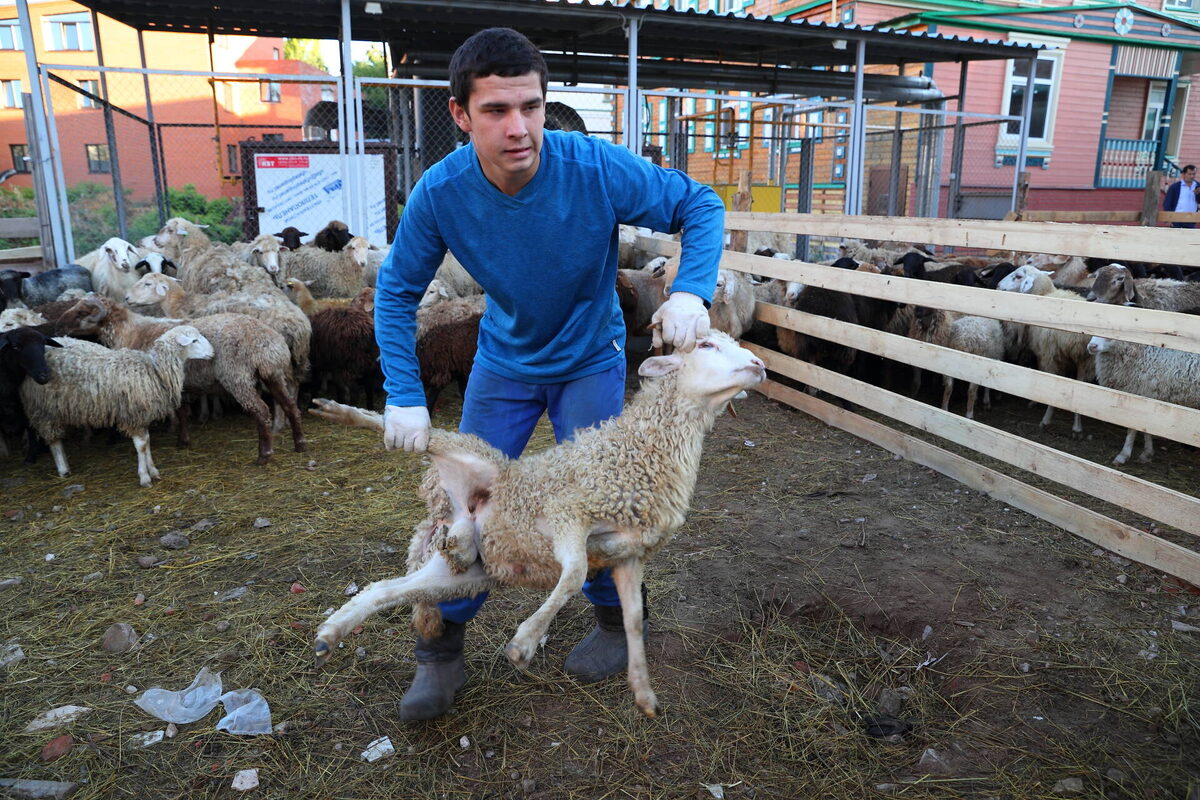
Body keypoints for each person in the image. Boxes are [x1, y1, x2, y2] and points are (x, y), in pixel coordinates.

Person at [373, 27, 726, 721]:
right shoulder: (441, 193)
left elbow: (699, 204)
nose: (519, 127)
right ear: (460, 114)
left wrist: (692, 291)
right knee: (466, 505)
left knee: (606, 502)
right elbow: (395, 293)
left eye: (531, 106)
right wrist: (404, 393)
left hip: (590, 357)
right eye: (497, 110)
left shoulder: (591, 165)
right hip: (505, 362)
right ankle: (439, 648)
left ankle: (614, 624)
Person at [1163, 164, 1200, 229]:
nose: (1192, 176)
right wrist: (1168, 219)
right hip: (1176, 219)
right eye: (1189, 174)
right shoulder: (1175, 187)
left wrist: (1199, 193)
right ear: (1183, 174)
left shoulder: (1198, 186)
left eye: (1193, 174)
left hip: (1191, 219)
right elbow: (1167, 203)